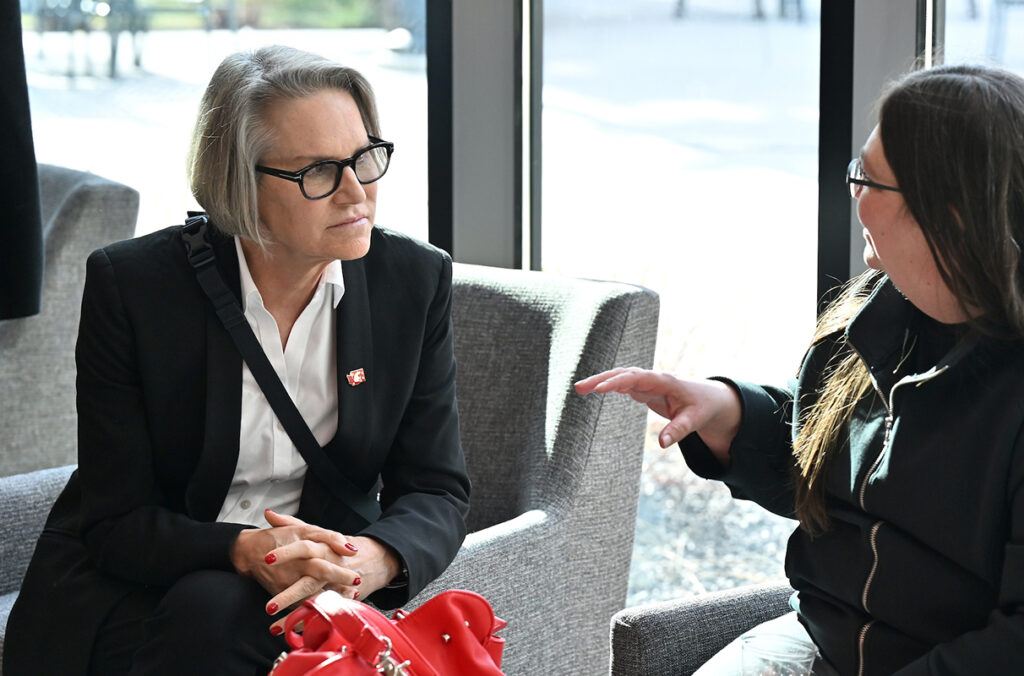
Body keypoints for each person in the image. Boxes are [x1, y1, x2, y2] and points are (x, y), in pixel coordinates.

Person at [4, 45, 470, 676]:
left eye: (365, 159)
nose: (357, 193)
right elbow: (116, 523)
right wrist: (244, 550)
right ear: (240, 183)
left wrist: (376, 556)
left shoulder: (412, 282)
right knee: (214, 608)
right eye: (319, 172)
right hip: (139, 588)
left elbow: (436, 487)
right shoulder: (135, 287)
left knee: (224, 617)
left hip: (308, 594)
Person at [576, 64, 1024, 675]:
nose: (852, 190)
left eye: (867, 178)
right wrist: (726, 411)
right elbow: (820, 479)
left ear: (949, 214)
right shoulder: (873, 317)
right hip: (820, 645)